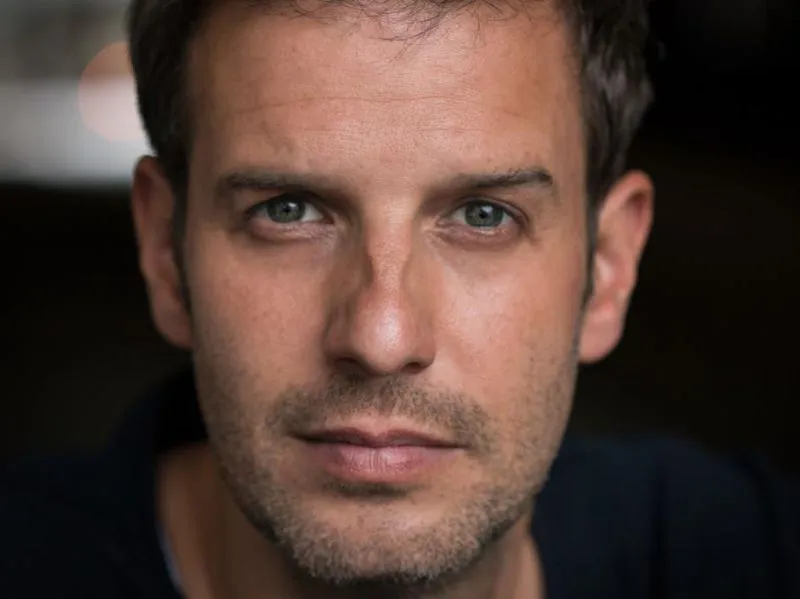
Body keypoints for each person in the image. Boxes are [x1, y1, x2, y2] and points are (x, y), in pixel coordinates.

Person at [2, 0, 798, 597]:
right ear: (165, 254)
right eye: (288, 210)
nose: (381, 335)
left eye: (483, 216)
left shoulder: (745, 554)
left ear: (609, 268)